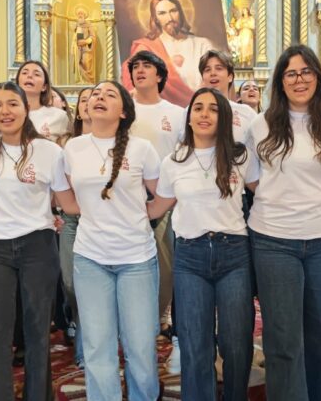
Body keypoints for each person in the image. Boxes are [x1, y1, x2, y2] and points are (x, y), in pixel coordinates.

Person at [246, 45, 321, 400]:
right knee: (283, 334)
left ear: (318, 77)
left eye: (306, 71)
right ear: (280, 81)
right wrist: (283, 198)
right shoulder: (261, 123)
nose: (299, 79)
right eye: (290, 73)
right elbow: (250, 177)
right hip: (274, 239)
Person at [147, 87, 254, 400]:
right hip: (190, 256)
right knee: (195, 342)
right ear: (189, 117)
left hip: (234, 252)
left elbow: (267, 191)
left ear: (223, 118)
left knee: (236, 342)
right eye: (198, 108)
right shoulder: (173, 161)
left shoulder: (240, 156)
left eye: (213, 109)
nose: (205, 114)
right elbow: (157, 207)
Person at [0, 81, 78, 400]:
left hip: (37, 245)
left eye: (12, 104)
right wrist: (1, 210)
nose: (5, 111)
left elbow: (66, 201)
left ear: (26, 108)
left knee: (36, 332)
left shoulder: (49, 151)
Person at [63, 81, 161, 400]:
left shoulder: (141, 148)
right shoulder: (74, 148)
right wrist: (95, 214)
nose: (98, 98)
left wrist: (137, 217)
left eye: (109, 94)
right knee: (97, 348)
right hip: (91, 258)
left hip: (137, 260)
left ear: (123, 112)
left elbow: (163, 196)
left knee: (141, 348)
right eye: (94, 94)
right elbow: (66, 201)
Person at [126, 50, 185, 344]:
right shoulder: (123, 109)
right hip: (127, 197)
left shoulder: (176, 114)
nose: (140, 70)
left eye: (147, 66)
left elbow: (182, 156)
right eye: (135, 66)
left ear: (160, 75)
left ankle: (162, 316)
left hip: (165, 199)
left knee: (165, 261)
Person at [121, 0, 216, 107]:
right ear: (155, 18)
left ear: (180, 12)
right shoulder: (147, 47)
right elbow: (130, 73)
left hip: (200, 107)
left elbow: (213, 77)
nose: (170, 18)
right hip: (161, 111)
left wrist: (198, 102)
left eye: (173, 11)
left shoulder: (202, 44)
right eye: (162, 13)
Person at [56, 87, 93, 369]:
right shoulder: (66, 143)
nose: (89, 104)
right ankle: (72, 316)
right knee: (70, 283)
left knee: (90, 286)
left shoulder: (119, 143)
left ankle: (85, 349)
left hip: (102, 221)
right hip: (71, 220)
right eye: (83, 99)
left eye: (95, 98)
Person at [199, 49, 255, 133]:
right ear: (203, 78)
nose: (213, 73)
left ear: (230, 77)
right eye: (207, 70)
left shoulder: (247, 113)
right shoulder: (191, 112)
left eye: (219, 68)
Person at [16, 60, 70, 141]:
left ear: (44, 87)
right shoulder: (6, 113)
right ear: (17, 83)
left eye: (36, 74)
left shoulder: (59, 116)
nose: (29, 76)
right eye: (25, 73)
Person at [73, 8, 96, 83]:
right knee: (79, 64)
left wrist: (86, 41)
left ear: (84, 15)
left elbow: (93, 37)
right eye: (78, 14)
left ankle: (89, 81)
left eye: (81, 14)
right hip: (79, 49)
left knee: (86, 63)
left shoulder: (88, 25)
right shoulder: (77, 25)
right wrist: (78, 42)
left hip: (87, 49)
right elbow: (77, 38)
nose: (80, 15)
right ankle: (81, 80)